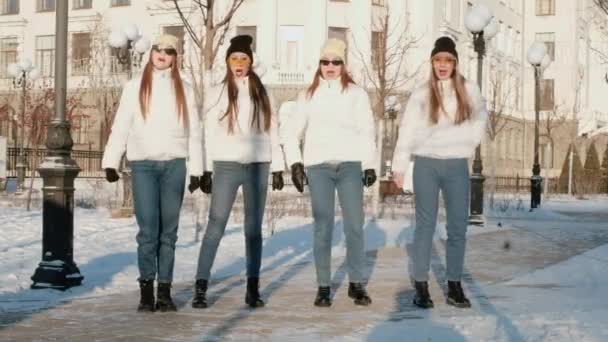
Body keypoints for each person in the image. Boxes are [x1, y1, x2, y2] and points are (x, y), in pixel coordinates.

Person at [102, 34, 203, 312]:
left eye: (170, 50)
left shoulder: (187, 89)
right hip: (143, 165)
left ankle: (165, 293)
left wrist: (197, 169)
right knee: (148, 232)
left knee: (168, 233)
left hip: (174, 165)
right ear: (152, 53)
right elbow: (121, 125)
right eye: (159, 49)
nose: (163, 54)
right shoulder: (134, 87)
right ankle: (146, 291)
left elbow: (195, 131)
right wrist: (111, 160)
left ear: (175, 57)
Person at [391, 36, 488, 309]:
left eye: (447, 60)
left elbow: (480, 120)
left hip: (456, 164)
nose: (442, 65)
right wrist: (399, 166)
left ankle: (454, 285)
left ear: (455, 62)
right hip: (426, 164)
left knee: (458, 226)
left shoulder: (469, 89)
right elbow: (407, 129)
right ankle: (421, 286)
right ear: (432, 63)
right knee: (425, 225)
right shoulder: (421, 93)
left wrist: (466, 144)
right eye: (438, 60)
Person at [192, 35, 285, 309]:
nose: (239, 64)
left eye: (244, 58)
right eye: (235, 58)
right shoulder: (216, 93)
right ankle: (201, 287)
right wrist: (205, 169)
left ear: (251, 62)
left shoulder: (263, 92)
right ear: (227, 62)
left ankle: (252, 288)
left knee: (253, 229)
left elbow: (272, 130)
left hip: (258, 166)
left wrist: (278, 166)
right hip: (226, 165)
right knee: (216, 225)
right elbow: (206, 133)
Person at [282, 38, 376, 307]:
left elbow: (366, 131)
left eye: (336, 61)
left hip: (349, 165)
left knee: (354, 225)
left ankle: (356, 283)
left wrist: (369, 164)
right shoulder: (308, 96)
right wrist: (296, 163)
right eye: (326, 61)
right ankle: (323, 286)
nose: (331, 66)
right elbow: (290, 133)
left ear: (344, 65)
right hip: (319, 167)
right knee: (323, 227)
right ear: (319, 64)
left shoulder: (357, 94)